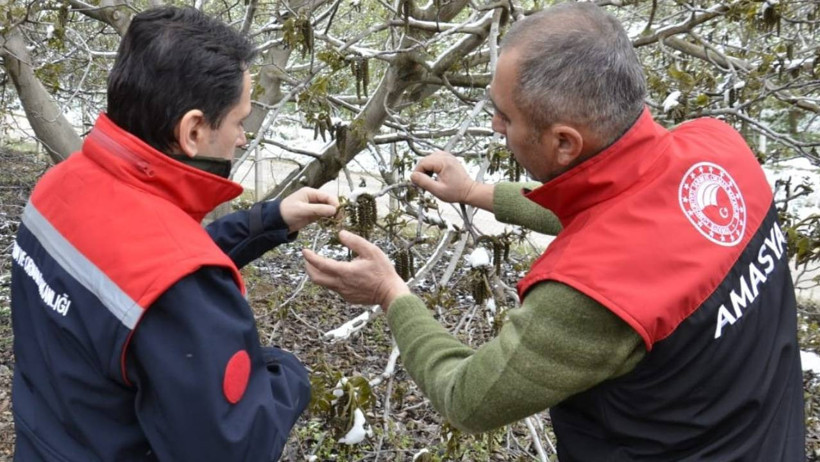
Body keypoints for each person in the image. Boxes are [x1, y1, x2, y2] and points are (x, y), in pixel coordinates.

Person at [302, 2, 805, 460]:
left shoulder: (588, 297)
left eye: (506, 116)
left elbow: (467, 398)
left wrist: (390, 292)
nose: (497, 126)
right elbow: (616, 207)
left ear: (565, 142)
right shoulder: (719, 151)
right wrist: (475, 192)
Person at [10, 6, 338, 461]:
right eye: (240, 121)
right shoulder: (176, 281)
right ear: (193, 130)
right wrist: (287, 371)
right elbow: (235, 446)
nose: (243, 137)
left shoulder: (60, 186)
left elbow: (140, 268)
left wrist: (269, 220)